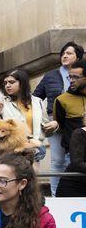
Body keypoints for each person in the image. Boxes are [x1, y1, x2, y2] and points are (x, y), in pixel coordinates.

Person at [34, 41, 82, 193]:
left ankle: (73, 192)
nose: (64, 56)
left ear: (78, 57)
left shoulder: (82, 75)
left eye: (69, 53)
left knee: (73, 159)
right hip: (54, 122)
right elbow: (35, 98)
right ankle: (56, 195)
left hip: (75, 123)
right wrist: (42, 119)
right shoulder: (50, 75)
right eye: (63, 53)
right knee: (57, 161)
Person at [2, 67, 47, 161]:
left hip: (34, 150)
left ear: (22, 83)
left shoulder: (37, 102)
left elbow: (46, 129)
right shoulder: (2, 103)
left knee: (32, 175)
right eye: (5, 83)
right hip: (13, 149)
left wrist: (54, 126)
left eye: (11, 82)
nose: (7, 85)